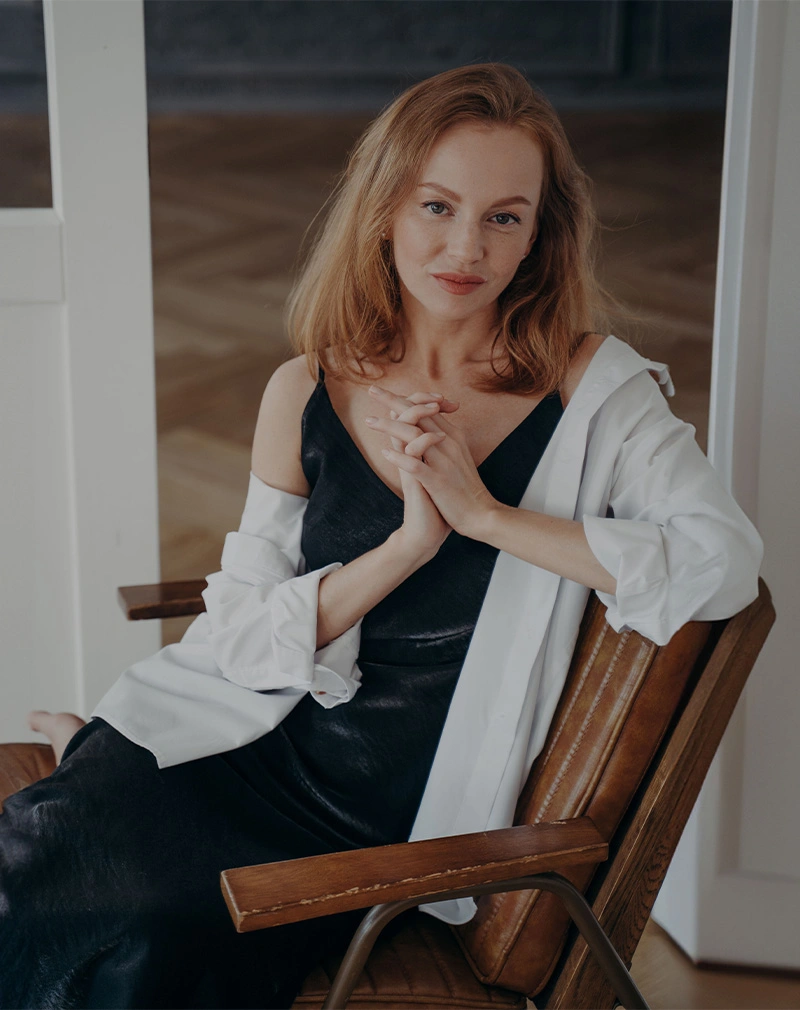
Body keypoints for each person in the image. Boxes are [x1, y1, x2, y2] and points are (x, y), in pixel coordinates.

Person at [0, 63, 762, 1009]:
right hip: (239, 737)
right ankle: (95, 761)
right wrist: (406, 547)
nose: (465, 247)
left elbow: (724, 567)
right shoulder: (307, 389)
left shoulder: (594, 394)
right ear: (385, 210)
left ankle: (91, 769)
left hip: (376, 811)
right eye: (436, 205)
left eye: (503, 217)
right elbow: (239, 630)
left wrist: (485, 516)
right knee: (37, 844)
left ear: (540, 235)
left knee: (143, 926)